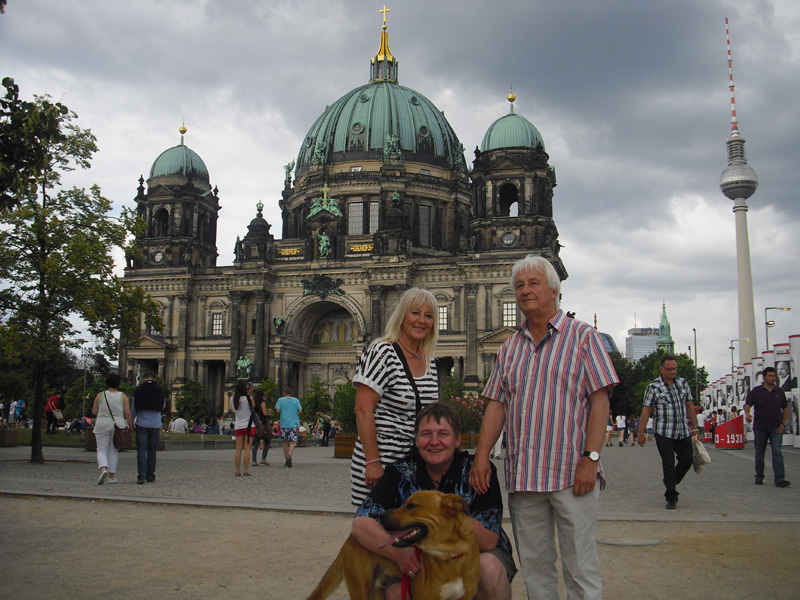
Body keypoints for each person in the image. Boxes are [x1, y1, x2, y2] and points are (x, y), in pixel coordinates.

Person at [469, 255, 617, 600]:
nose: (524, 291)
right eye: (519, 286)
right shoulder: (509, 348)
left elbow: (601, 402)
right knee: (536, 569)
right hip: (524, 476)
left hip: (572, 474)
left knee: (580, 568)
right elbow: (496, 405)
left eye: (533, 284)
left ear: (554, 290)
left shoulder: (584, 338)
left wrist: (590, 460)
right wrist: (480, 456)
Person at [353, 402, 516, 600]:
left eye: (443, 434)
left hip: (474, 554)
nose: (434, 441)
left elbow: (489, 540)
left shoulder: (478, 470)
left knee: (489, 569)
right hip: (416, 555)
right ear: (417, 441)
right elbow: (360, 523)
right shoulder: (400, 472)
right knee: (395, 593)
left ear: (457, 440)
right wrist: (398, 554)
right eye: (426, 434)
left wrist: (442, 517)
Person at [350, 287, 440, 505]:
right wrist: (373, 462)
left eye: (428, 316)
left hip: (415, 462)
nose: (421, 321)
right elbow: (363, 410)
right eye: (415, 313)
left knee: (408, 531)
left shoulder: (430, 362)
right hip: (382, 460)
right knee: (376, 532)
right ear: (402, 316)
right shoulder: (382, 352)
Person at [637, 354, 699, 510]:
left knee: (687, 461)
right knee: (668, 464)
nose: (673, 372)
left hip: (682, 429)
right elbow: (647, 410)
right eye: (669, 369)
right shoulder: (654, 387)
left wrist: (695, 426)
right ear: (661, 369)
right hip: (664, 431)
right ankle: (671, 495)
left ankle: (670, 480)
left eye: (675, 369)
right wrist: (641, 432)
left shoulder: (682, 383)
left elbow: (689, 405)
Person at [744, 367, 790, 487]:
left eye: (774, 376)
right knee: (760, 453)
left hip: (776, 427)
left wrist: (783, 423)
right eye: (770, 376)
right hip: (760, 427)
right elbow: (748, 404)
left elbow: (785, 408)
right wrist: (747, 414)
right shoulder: (756, 391)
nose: (772, 378)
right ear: (764, 377)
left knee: (777, 451)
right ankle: (759, 476)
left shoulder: (779, 391)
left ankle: (779, 478)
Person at [91, 373, 133, 485]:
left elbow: (94, 411)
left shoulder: (100, 395)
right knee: (113, 450)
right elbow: (127, 413)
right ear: (119, 384)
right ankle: (112, 476)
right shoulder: (123, 396)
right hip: (118, 425)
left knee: (101, 450)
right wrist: (130, 426)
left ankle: (103, 469)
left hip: (102, 424)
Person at [132, 372, 166, 484]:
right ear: (154, 378)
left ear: (144, 379)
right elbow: (163, 406)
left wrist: (131, 421)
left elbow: (134, 408)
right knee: (152, 452)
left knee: (141, 451)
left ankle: (141, 476)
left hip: (141, 424)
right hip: (155, 424)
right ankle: (150, 476)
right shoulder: (160, 390)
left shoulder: (138, 390)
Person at [230, 380, 256, 476]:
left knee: (238, 449)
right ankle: (245, 470)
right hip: (249, 426)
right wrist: (251, 394)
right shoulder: (248, 398)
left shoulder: (232, 399)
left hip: (238, 425)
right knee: (247, 448)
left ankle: (237, 471)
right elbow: (253, 406)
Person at [275, 386, 303, 468]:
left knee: (285, 442)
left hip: (284, 423)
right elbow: (300, 411)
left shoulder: (280, 400)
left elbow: (277, 410)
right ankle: (290, 456)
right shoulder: (296, 400)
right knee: (292, 442)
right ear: (292, 393)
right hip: (293, 423)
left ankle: (286, 458)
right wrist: (295, 415)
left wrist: (282, 414)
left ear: (284, 393)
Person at [251, 386, 272, 466]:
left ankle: (254, 460)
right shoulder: (262, 403)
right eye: (264, 395)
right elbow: (264, 413)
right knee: (267, 441)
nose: (265, 397)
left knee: (255, 443)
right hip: (263, 424)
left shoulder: (254, 403)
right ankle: (263, 458)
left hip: (255, 424)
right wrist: (269, 412)